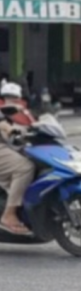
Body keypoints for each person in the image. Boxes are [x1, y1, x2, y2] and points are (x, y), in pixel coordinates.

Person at [0, 81, 36, 235]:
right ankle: (9, 215)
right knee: (24, 167)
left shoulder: (20, 110)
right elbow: (2, 124)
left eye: (14, 97)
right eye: (8, 97)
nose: (11, 99)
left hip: (6, 146)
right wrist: (11, 130)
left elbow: (33, 124)